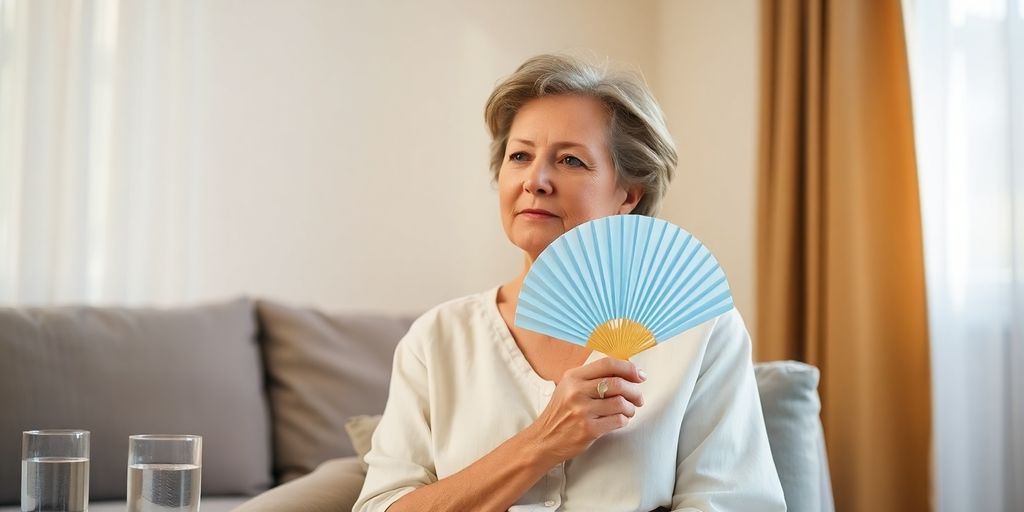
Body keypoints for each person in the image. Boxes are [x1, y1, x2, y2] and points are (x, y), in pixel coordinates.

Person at [353, 54, 786, 512]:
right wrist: (543, 442)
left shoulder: (700, 328)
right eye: (519, 156)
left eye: (570, 160)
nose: (535, 180)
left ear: (628, 194)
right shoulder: (437, 339)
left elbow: (736, 502)